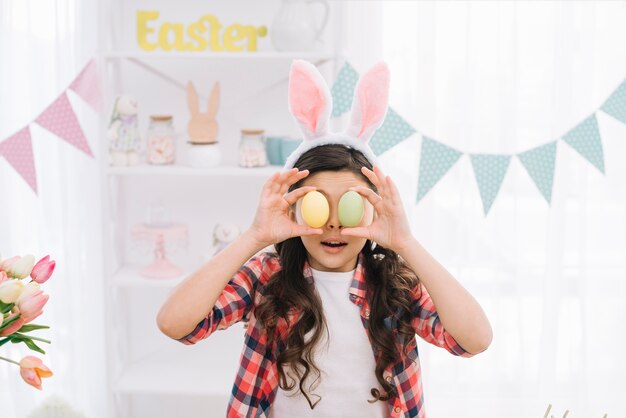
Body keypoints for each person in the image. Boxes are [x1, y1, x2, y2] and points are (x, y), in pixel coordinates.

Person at [157, 60, 492, 418]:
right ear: (294, 209)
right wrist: (255, 236)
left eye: (349, 206)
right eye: (317, 205)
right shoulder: (267, 276)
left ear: (373, 210)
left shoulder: (394, 285)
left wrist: (406, 243)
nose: (333, 224)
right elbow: (176, 324)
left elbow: (474, 340)